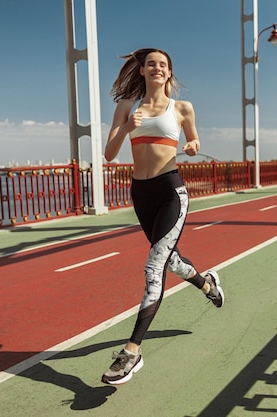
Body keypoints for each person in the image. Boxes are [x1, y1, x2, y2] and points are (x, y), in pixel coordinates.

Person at [101, 48, 225, 385]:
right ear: (141, 71)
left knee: (154, 267)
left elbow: (194, 139)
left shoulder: (182, 108)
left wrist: (193, 145)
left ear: (169, 73)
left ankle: (132, 351)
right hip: (141, 194)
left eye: (163, 65)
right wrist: (127, 126)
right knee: (169, 260)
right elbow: (109, 155)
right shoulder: (127, 107)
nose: (157, 68)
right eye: (151, 64)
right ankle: (207, 284)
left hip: (172, 192)